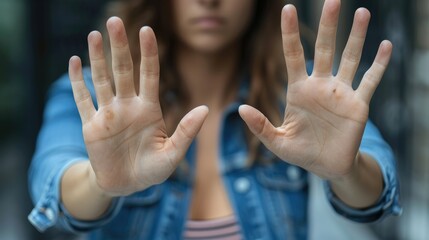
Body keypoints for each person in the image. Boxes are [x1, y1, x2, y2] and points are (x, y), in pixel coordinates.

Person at [28, 0, 402, 239]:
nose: (210, 1)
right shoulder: (96, 100)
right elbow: (53, 178)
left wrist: (347, 170)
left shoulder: (306, 94)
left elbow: (376, 187)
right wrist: (99, 184)